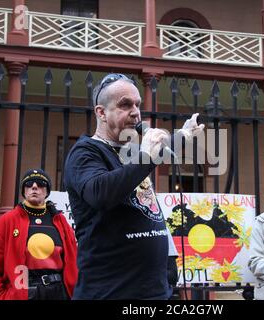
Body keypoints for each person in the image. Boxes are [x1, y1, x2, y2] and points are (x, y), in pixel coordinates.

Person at [63, 73, 204, 299]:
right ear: (101, 112)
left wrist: (185, 135)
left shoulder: (131, 154)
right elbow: (100, 193)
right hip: (112, 291)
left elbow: (162, 152)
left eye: (137, 104)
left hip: (154, 291)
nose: (136, 112)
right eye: (125, 105)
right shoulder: (86, 152)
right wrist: (146, 154)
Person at [0, 169, 78, 300]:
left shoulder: (61, 221)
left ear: (47, 191)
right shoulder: (6, 222)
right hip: (24, 292)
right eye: (29, 184)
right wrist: (3, 297)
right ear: (24, 191)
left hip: (59, 292)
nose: (34, 187)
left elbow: (74, 261)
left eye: (40, 183)